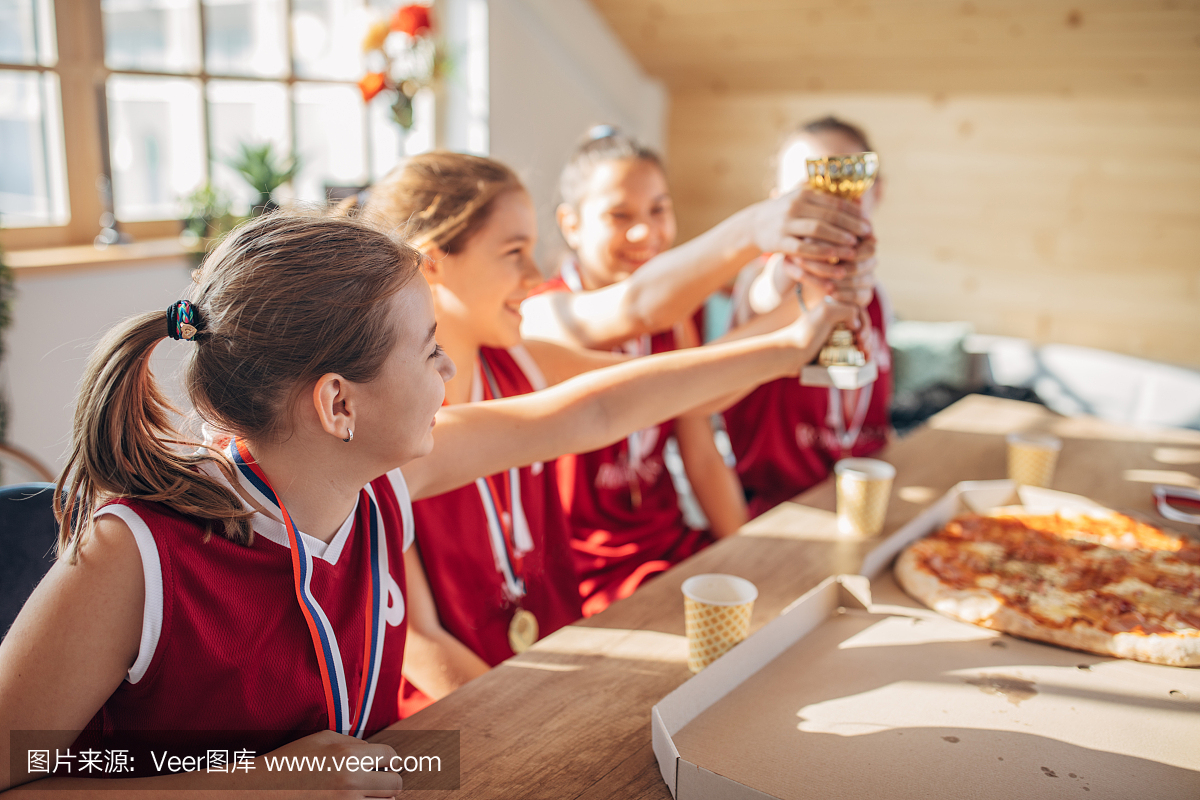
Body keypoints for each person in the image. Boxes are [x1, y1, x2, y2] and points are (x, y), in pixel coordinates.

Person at [0, 210, 856, 795]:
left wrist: (787, 347)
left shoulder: (374, 487)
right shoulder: (131, 557)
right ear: (339, 405)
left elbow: (594, 411)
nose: (451, 373)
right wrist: (261, 779)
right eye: (430, 351)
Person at [522, 128, 876, 615]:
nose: (644, 232)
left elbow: (701, 446)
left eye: (658, 209)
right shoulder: (542, 313)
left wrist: (745, 554)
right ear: (572, 224)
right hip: (581, 573)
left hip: (669, 548)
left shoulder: (676, 318)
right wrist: (758, 235)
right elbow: (641, 310)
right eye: (618, 215)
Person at [724, 116, 894, 519]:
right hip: (778, 505)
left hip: (858, 492)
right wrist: (790, 267)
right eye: (807, 191)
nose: (827, 205)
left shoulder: (875, 295)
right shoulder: (769, 276)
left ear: (875, 191)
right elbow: (763, 296)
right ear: (776, 204)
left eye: (844, 184)